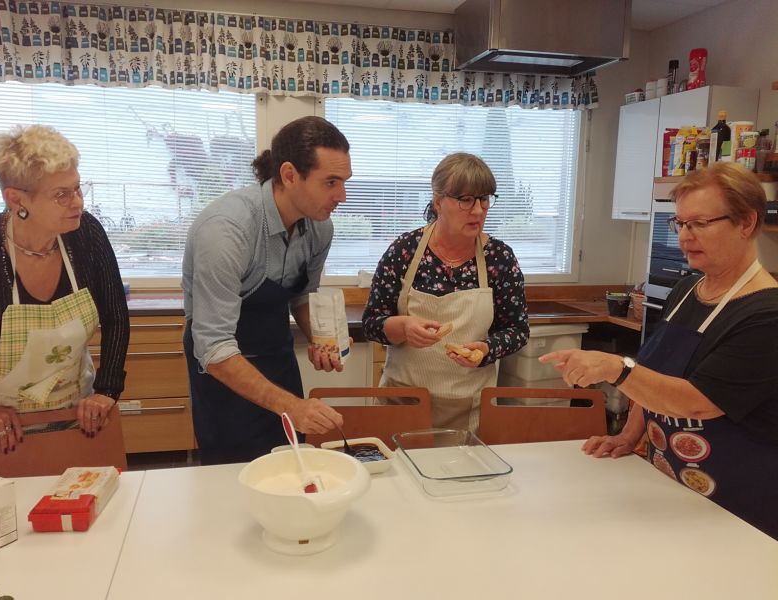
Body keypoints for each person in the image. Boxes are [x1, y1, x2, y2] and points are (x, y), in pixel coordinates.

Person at [540, 162, 778, 539]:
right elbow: (653, 378)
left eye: (699, 224)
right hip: (667, 485)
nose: (684, 237)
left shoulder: (766, 314)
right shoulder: (686, 291)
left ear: (746, 223)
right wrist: (628, 436)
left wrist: (616, 368)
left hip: (735, 505)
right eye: (680, 223)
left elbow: (698, 403)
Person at [183, 116, 349, 465]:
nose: (342, 197)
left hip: (276, 355)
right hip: (224, 367)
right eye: (330, 183)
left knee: (292, 464)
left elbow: (303, 294)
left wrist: (321, 337)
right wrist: (292, 406)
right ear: (289, 175)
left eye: (344, 182)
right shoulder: (226, 230)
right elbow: (213, 346)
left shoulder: (320, 228)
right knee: (234, 473)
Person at [0, 125, 130, 454]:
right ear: (17, 199)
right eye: (61, 194)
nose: (78, 202)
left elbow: (116, 316)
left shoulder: (86, 234)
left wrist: (107, 390)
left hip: (75, 415)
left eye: (78, 188)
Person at [362, 152, 529, 431]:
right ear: (438, 201)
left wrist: (487, 349)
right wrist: (403, 327)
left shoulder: (499, 258)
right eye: (466, 199)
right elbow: (371, 324)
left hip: (468, 405)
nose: (478, 210)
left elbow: (517, 330)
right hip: (403, 400)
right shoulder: (404, 251)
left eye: (484, 199)